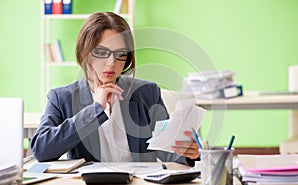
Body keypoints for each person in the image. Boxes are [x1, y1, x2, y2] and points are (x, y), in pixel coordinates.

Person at [31, 12, 199, 166]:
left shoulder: (147, 93)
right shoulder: (62, 98)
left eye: (120, 54)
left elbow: (167, 150)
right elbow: (41, 150)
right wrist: (95, 109)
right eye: (102, 52)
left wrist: (187, 153)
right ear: (85, 52)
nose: (112, 62)